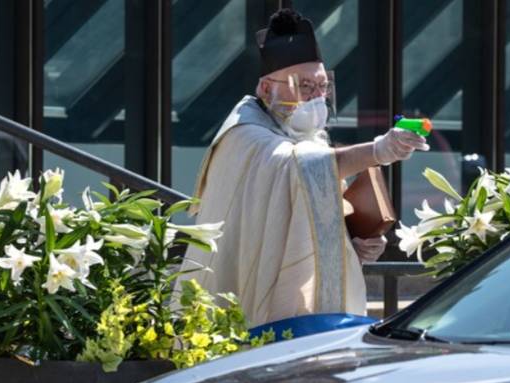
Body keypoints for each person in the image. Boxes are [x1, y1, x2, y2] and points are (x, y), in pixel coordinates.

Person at [177, 8, 428, 326]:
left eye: (322, 87)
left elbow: (304, 215)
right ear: (266, 89)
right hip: (242, 296)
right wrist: (378, 151)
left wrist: (352, 246)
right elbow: (298, 169)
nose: (317, 97)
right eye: (304, 86)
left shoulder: (307, 137)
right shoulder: (243, 135)